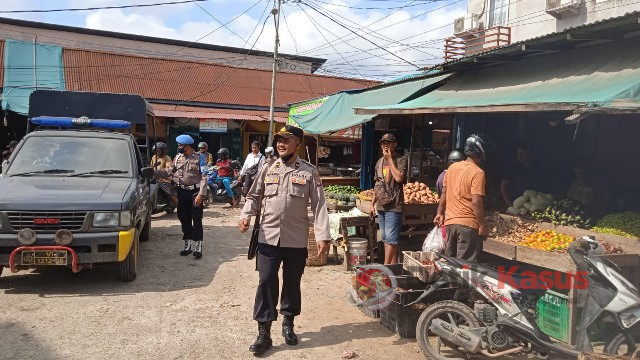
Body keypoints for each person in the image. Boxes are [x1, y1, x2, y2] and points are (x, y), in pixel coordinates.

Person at [238, 125, 331, 355]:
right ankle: (264, 332)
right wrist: (246, 214)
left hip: (296, 239)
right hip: (268, 236)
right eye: (279, 139)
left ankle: (288, 324)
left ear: (297, 144)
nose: (281, 143)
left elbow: (319, 205)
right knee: (266, 280)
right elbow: (254, 195)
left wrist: (323, 236)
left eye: (286, 140)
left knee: (292, 283)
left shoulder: (309, 171)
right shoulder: (268, 167)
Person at [434, 134, 492, 261]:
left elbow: (444, 193)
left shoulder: (452, 168)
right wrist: (482, 225)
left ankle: (449, 282)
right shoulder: (478, 172)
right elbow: (476, 202)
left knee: (450, 264)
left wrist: (440, 213)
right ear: (479, 150)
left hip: (450, 223)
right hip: (467, 226)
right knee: (464, 267)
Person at [154, 134, 207, 259]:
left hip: (195, 192)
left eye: (180, 145)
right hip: (182, 192)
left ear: (187, 146)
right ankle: (187, 243)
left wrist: (201, 194)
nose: (178, 147)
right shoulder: (178, 157)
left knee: (197, 218)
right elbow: (169, 171)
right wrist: (154, 173)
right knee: (183, 217)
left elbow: (204, 177)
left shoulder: (200, 158)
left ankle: (198, 245)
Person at [370, 133, 407, 265]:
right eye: (383, 143)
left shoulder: (401, 159)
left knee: (391, 239)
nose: (386, 145)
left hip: (394, 205)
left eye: (389, 143)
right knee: (387, 239)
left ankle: (385, 268)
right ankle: (393, 266)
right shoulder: (379, 162)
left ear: (395, 144)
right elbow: (377, 184)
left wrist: (390, 159)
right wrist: (372, 203)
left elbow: (398, 178)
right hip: (381, 205)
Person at [500, 143, 544, 207]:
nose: (519, 156)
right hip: (517, 204)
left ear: (530, 154)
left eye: (522, 153)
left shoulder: (538, 169)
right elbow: (504, 186)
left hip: (535, 204)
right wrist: (509, 204)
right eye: (518, 153)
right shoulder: (513, 169)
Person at [151, 142, 178, 207]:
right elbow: (151, 167)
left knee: (169, 194)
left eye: (158, 150)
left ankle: (179, 206)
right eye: (156, 150)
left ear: (163, 150)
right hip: (154, 178)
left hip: (164, 179)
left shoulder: (167, 158)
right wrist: (153, 166)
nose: (157, 152)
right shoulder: (154, 157)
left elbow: (169, 169)